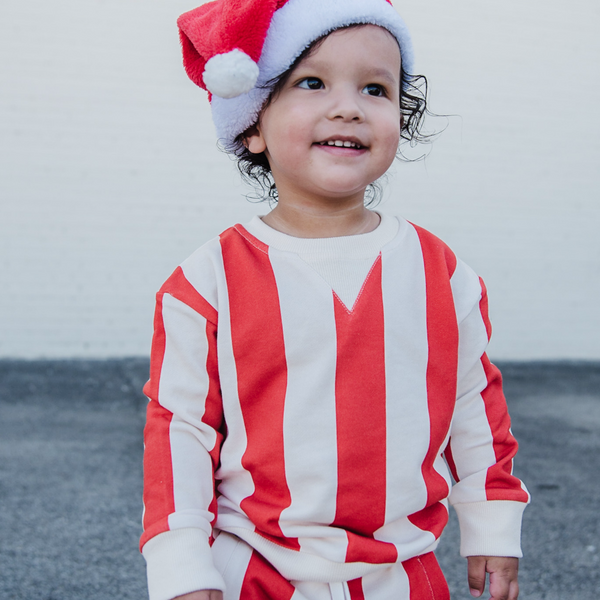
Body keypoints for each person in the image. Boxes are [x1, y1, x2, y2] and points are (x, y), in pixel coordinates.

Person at [140, 1, 530, 599]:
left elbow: (473, 405)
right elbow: (180, 433)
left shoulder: (441, 272)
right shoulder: (206, 281)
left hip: (402, 573)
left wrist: (493, 525)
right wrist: (181, 566)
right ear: (252, 124)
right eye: (312, 82)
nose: (348, 105)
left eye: (375, 88)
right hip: (254, 569)